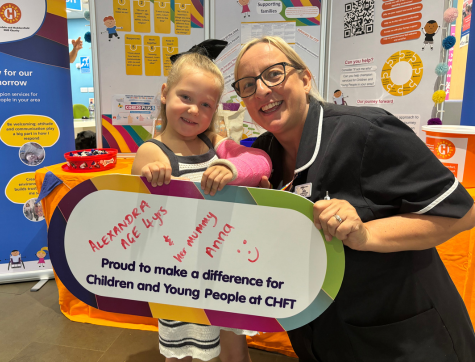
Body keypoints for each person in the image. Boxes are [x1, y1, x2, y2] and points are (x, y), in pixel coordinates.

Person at [232, 35, 475, 361]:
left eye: (274, 74)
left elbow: (461, 213)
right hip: (321, 337)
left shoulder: (365, 132)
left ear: (305, 79)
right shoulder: (259, 158)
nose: (261, 90)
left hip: (402, 339)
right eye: (247, 85)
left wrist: (366, 234)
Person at [131, 40, 272, 362]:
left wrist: (232, 168)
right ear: (165, 93)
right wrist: (148, 175)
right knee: (186, 348)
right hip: (179, 273)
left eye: (207, 105)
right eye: (185, 98)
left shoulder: (213, 142)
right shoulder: (153, 151)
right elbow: (133, 208)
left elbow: (261, 160)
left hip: (223, 265)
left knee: (234, 341)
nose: (195, 110)